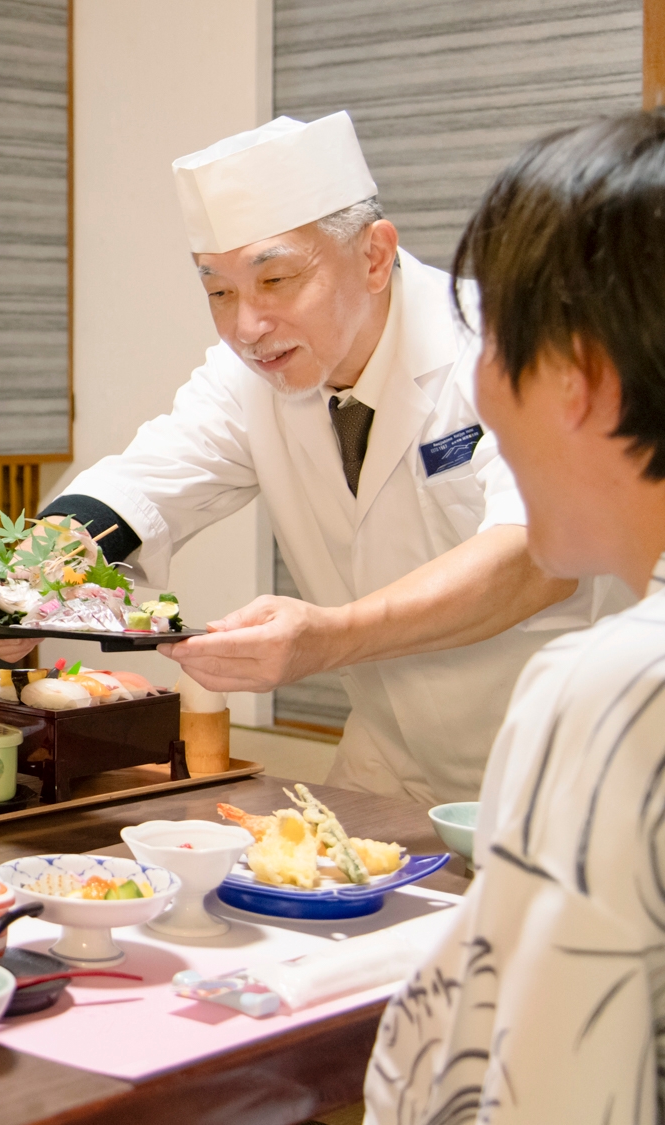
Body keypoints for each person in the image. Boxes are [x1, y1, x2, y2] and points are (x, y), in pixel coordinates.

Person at [0, 112, 620, 806]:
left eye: (275, 281)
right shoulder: (250, 380)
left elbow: (538, 559)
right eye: (219, 291)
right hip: (390, 757)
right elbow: (143, 483)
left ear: (374, 256)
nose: (247, 326)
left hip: (563, 762)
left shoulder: (499, 343)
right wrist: (29, 576)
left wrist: (328, 637)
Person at [364, 109, 665, 1124]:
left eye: (493, 340)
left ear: (576, 377)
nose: (479, 389)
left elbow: (546, 1091)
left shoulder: (615, 691)